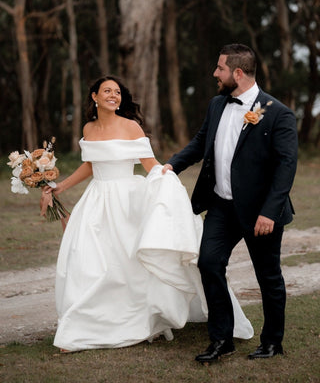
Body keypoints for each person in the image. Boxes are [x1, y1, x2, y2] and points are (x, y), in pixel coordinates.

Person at [42, 75, 254, 353]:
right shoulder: (89, 128)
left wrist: (167, 178)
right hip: (96, 200)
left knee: (127, 265)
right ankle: (83, 325)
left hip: (127, 201)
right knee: (89, 262)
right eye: (107, 91)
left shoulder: (131, 127)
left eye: (117, 92)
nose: (113, 95)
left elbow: (150, 163)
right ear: (94, 97)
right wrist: (60, 187)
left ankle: (136, 320)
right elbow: (91, 165)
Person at [162, 44, 298, 363]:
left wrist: (269, 212)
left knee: (268, 276)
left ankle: (272, 342)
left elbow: (286, 166)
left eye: (220, 69)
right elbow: (200, 142)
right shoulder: (216, 104)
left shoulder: (277, 112)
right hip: (221, 207)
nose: (215, 74)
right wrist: (172, 165)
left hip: (260, 212)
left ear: (237, 73)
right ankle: (222, 338)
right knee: (208, 263)